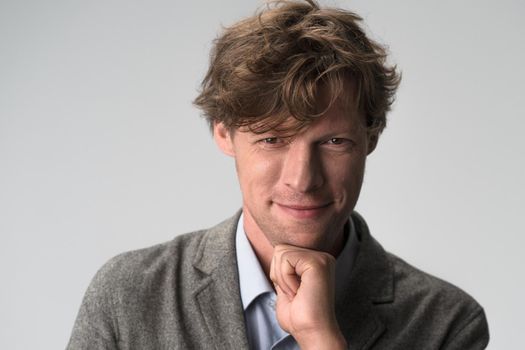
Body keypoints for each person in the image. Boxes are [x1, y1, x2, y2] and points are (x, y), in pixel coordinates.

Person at [67, 1, 489, 349]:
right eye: (272, 140)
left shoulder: (448, 323)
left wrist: (322, 338)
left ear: (371, 136)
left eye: (333, 142)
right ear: (223, 134)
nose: (302, 180)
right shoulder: (128, 295)